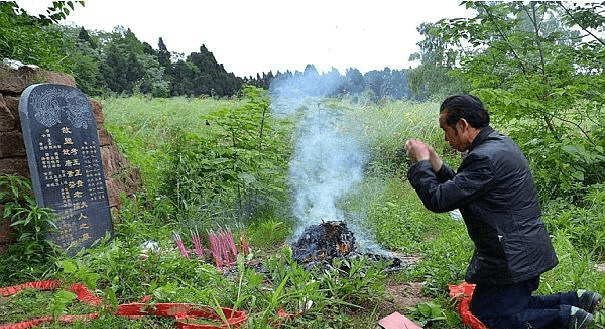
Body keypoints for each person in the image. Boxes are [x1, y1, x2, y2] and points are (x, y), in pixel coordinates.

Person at [404, 95, 601, 329]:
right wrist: (436, 164)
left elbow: (438, 200)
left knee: (490, 317)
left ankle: (568, 318)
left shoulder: (484, 157)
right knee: (507, 307)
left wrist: (421, 165)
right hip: (520, 251)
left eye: (446, 130)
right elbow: (463, 188)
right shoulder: (498, 145)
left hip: (511, 257)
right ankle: (579, 300)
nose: (445, 139)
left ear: (463, 125)